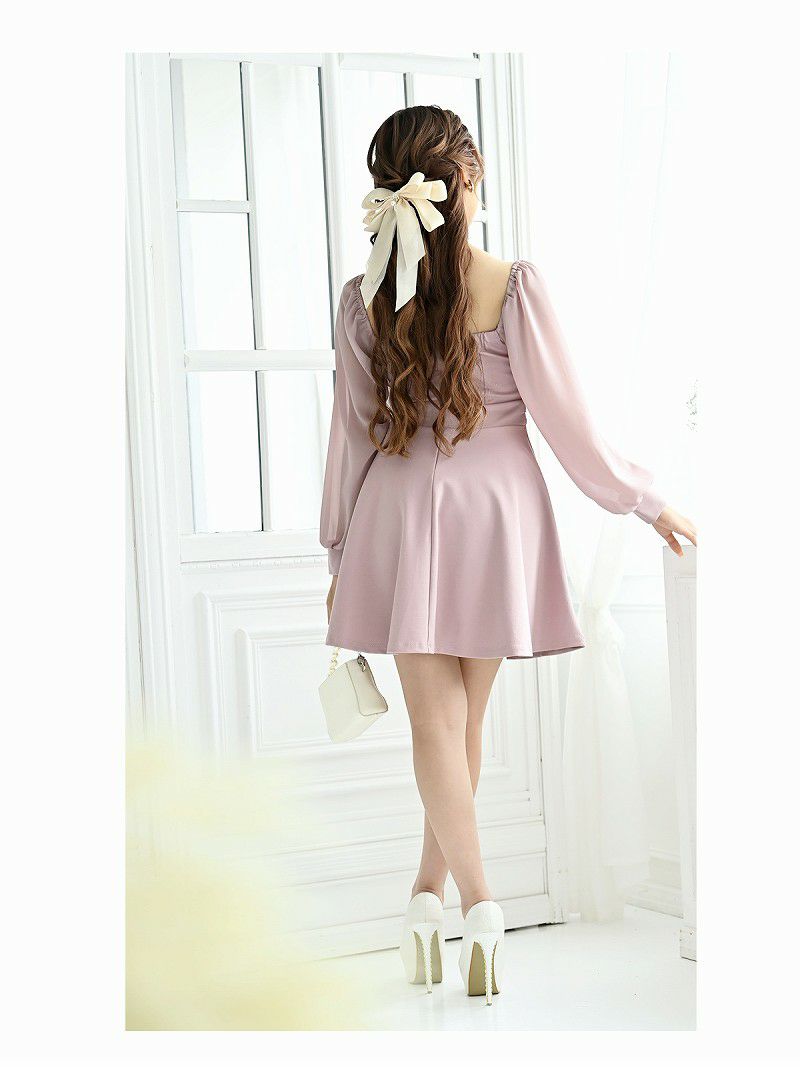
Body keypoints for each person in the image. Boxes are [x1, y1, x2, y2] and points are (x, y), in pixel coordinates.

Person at [319, 105, 696, 1003]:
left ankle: (441, 898)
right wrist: (646, 501)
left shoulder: (363, 297)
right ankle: (469, 900)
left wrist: (338, 547)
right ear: (471, 181)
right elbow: (569, 424)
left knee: (436, 724)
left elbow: (353, 433)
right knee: (464, 723)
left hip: (401, 511)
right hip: (497, 514)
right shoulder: (512, 284)